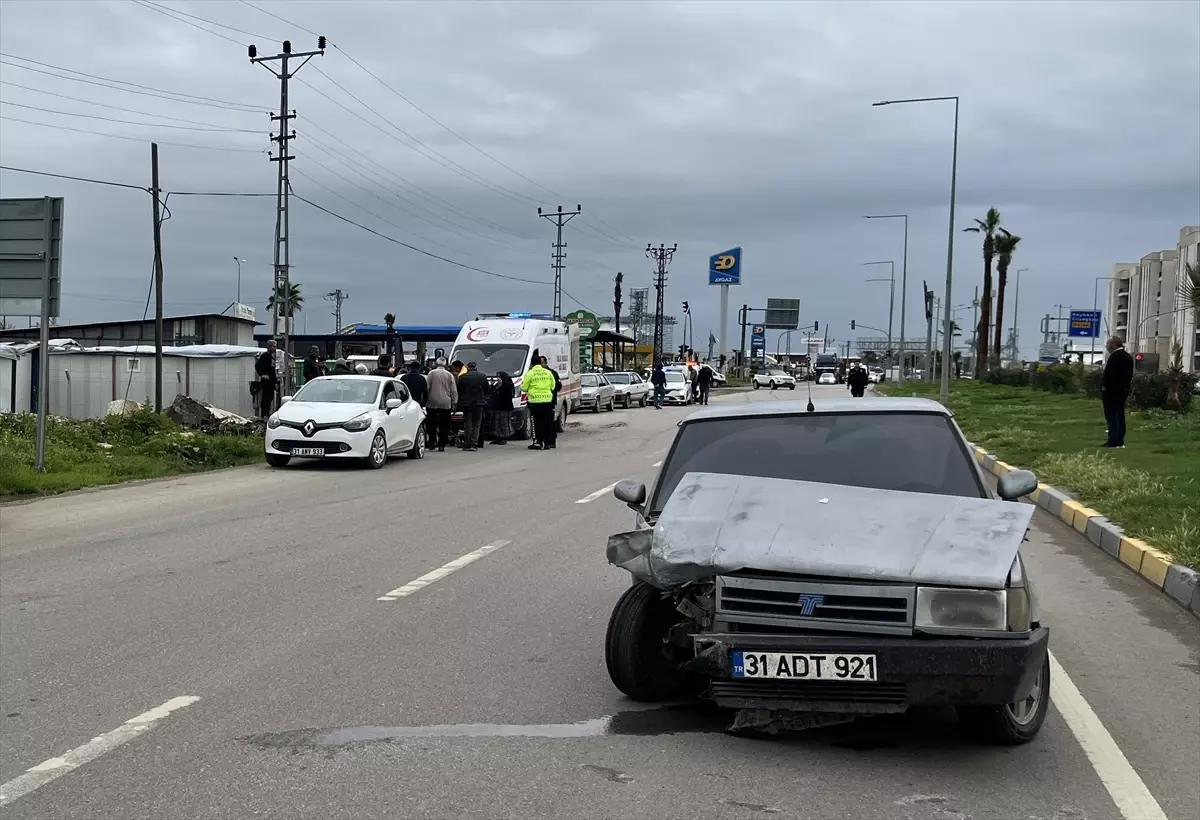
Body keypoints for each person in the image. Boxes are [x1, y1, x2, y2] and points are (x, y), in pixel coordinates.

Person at [1101, 335, 1134, 448]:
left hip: (1112, 391)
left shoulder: (1116, 357)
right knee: (1119, 415)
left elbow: (1111, 375)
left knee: (1112, 416)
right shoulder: (1127, 356)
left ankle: (1113, 440)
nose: (1106, 346)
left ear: (1114, 344)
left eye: (1108, 343)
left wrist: (1105, 386)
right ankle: (1119, 440)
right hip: (1122, 391)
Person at [523, 357, 557, 450]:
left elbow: (524, 387)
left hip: (534, 402)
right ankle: (547, 443)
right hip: (547, 401)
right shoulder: (548, 372)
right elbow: (553, 386)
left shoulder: (530, 373)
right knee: (547, 422)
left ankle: (538, 442)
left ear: (532, 364)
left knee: (536, 423)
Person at [456, 362, 490, 452]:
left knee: (467, 424)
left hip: (466, 404)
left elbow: (459, 390)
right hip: (479, 403)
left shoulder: (462, 377)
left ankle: (467, 444)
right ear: (476, 367)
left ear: (467, 367)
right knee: (476, 424)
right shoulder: (482, 376)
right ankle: (474, 444)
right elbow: (487, 389)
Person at [426, 358, 457, 452]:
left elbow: (428, 387)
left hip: (432, 401)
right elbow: (453, 390)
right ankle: (442, 444)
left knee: (431, 423)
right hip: (445, 402)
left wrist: (427, 398)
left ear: (436, 364)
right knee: (444, 424)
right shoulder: (449, 375)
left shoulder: (431, 373)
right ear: (445, 365)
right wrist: (454, 402)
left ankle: (432, 441)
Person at [255, 339, 279, 418]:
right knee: (266, 398)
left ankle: (267, 413)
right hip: (266, 381)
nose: (275, 348)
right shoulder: (264, 356)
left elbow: (272, 371)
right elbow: (257, 365)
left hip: (271, 381)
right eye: (273, 347)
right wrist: (262, 375)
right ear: (269, 347)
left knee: (270, 398)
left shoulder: (271, 357)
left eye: (275, 347)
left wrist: (275, 382)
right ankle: (264, 414)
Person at [490, 371, 515, 444]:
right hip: (496, 407)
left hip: (504, 408)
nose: (497, 378)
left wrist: (500, 386)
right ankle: (497, 437)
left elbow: (506, 395)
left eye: (499, 377)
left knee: (503, 423)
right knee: (496, 424)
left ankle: (504, 438)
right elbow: (492, 392)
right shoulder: (497, 385)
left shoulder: (507, 386)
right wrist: (492, 385)